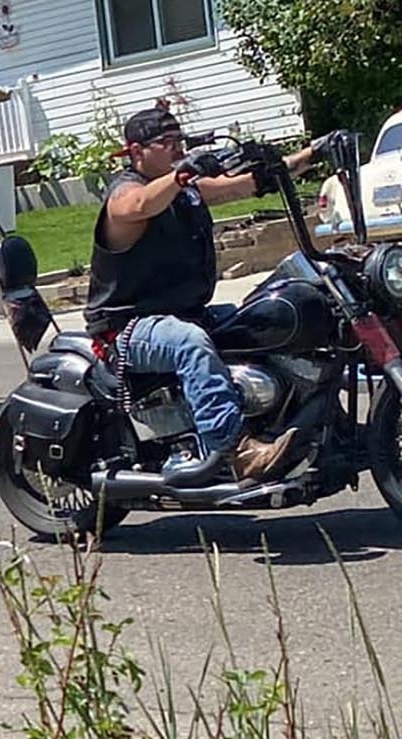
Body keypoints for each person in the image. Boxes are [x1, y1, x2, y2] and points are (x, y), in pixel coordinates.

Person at [86, 104, 326, 484]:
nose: (177, 147)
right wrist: (184, 173)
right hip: (127, 329)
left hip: (186, 312)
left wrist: (312, 154)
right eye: (166, 142)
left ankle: (293, 421)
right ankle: (235, 450)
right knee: (190, 343)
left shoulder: (184, 190)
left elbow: (246, 184)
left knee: (264, 317)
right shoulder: (124, 196)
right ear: (136, 151)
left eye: (179, 140)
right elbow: (141, 204)